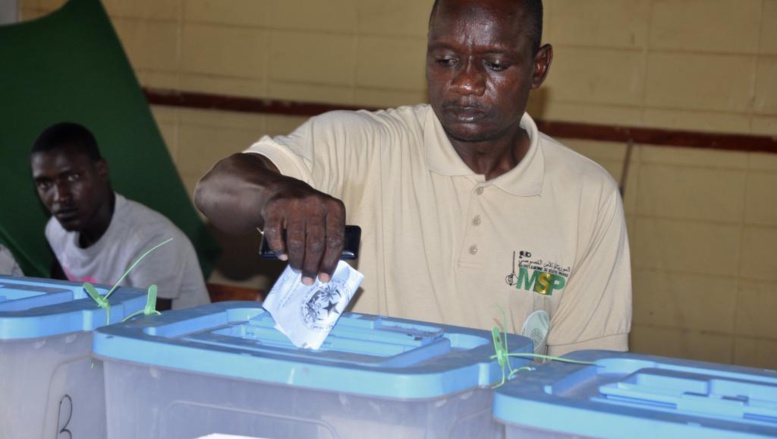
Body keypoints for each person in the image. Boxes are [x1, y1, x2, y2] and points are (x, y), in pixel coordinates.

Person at [194, 0, 631, 355]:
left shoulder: (586, 197)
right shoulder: (359, 144)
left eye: (495, 64)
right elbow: (215, 191)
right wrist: (278, 192)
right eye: (445, 59)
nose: (465, 83)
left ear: (539, 67)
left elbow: (587, 369)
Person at [30, 122, 210, 310]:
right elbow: (62, 303)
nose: (60, 197)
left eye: (73, 177)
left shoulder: (153, 239)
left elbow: (147, 330)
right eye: (45, 184)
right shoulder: (56, 230)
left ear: (101, 171)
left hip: (172, 339)